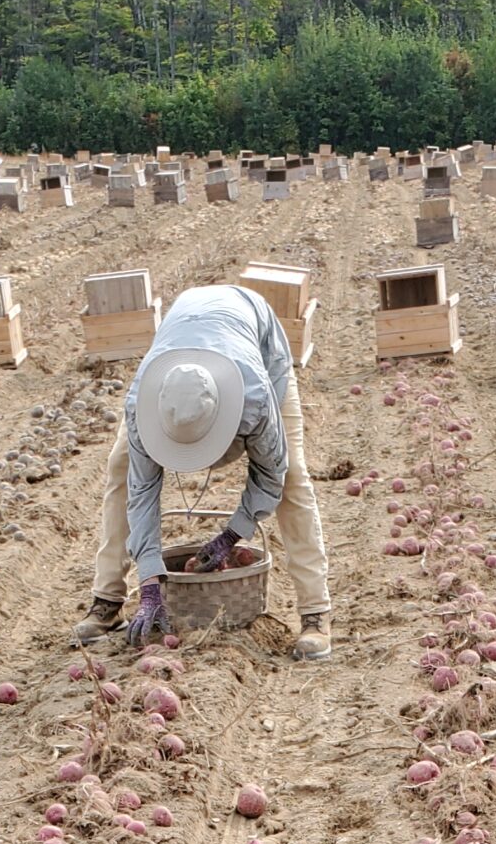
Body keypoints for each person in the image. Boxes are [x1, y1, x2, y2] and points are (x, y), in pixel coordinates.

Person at [74, 282, 331, 659]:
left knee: (292, 477)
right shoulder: (142, 403)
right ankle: (107, 600)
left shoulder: (255, 399)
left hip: (255, 339)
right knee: (121, 467)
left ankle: (316, 613)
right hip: (186, 329)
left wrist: (232, 535)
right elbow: (142, 493)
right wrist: (149, 580)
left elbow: (269, 474)